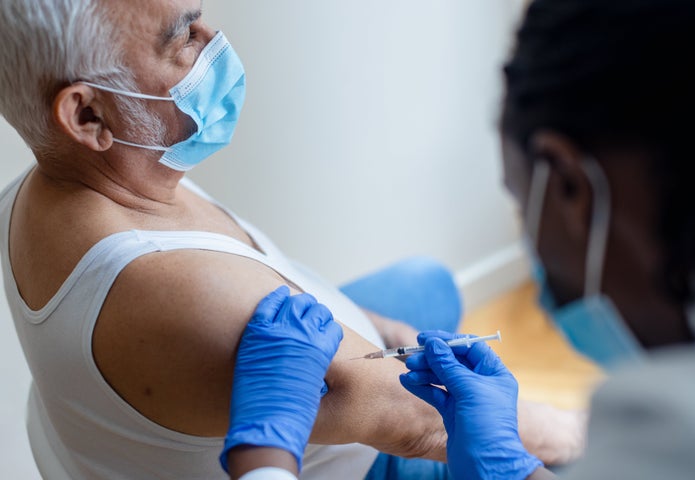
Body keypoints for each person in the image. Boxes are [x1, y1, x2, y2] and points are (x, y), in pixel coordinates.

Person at [0, 1, 582, 478]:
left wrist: (381, 334)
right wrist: (556, 435)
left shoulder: (51, 184)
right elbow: (417, 422)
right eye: (183, 38)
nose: (215, 38)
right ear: (89, 117)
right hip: (362, 460)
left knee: (423, 284)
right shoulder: (182, 295)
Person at [224, 0, 695, 478]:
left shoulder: (672, 429)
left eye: (520, 199)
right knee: (426, 281)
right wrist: (513, 469)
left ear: (570, 187)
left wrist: (265, 457)